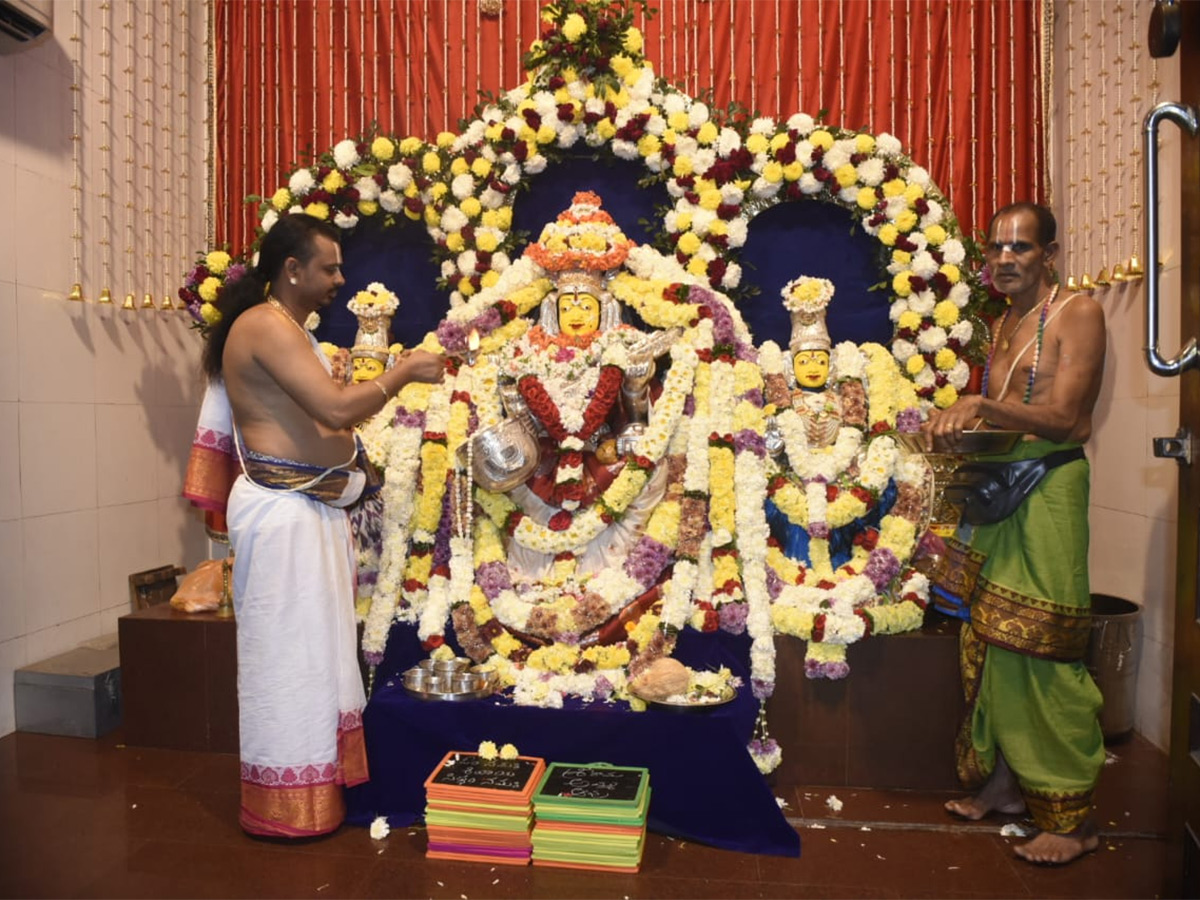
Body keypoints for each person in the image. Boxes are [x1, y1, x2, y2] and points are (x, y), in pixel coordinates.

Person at [200, 213, 444, 838]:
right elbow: (335, 408)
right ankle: (280, 807)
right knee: (288, 658)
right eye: (329, 267)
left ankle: (313, 799)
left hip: (306, 511)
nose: (339, 278)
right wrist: (403, 373)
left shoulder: (287, 328)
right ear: (292, 269)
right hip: (281, 515)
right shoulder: (263, 326)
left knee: (313, 655)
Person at [922, 202, 1107, 865]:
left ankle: (1073, 818)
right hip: (1001, 492)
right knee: (994, 641)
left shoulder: (1077, 311)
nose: (1004, 258)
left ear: (1050, 254)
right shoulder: (1005, 320)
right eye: (997, 247)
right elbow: (1008, 421)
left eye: (1021, 248)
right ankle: (1007, 786)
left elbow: (1063, 416)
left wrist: (982, 403)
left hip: (1049, 490)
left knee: (1042, 646)